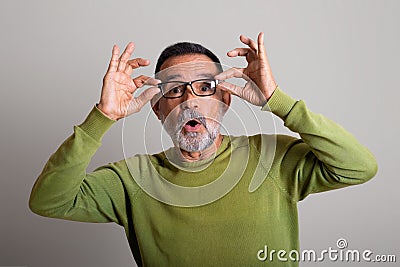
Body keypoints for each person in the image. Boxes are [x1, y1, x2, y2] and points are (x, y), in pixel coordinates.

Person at [29, 32, 378, 266]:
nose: (190, 101)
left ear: (226, 99)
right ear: (157, 108)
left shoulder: (273, 157)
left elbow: (359, 167)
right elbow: (49, 200)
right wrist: (102, 117)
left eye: (204, 87)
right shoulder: (131, 180)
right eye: (175, 90)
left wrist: (278, 102)